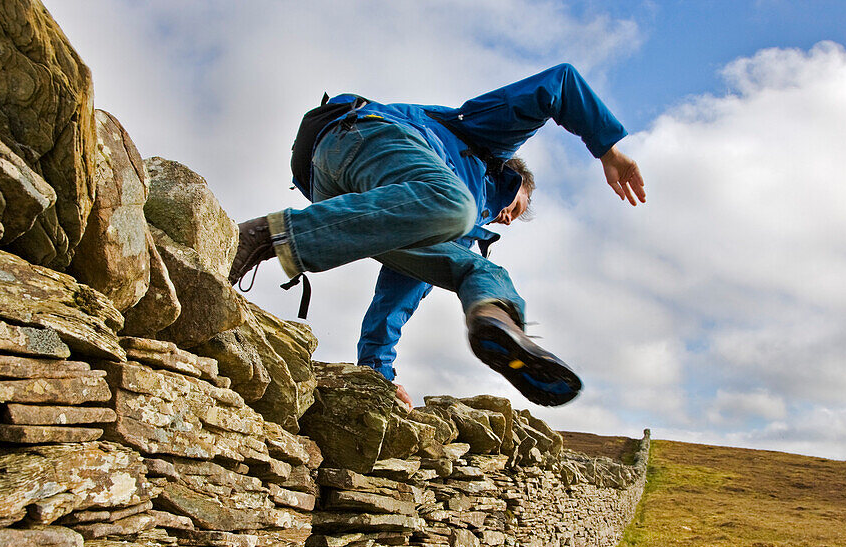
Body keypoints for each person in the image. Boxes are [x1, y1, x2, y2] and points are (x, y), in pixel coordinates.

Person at [229, 63, 645, 407]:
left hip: (336, 192)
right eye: (516, 207)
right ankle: (269, 235)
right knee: (457, 206)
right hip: (359, 137)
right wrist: (609, 151)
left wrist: (377, 374)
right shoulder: (485, 140)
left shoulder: (436, 218)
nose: (506, 218)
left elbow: (393, 300)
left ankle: (493, 318)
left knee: (474, 267)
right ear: (516, 180)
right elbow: (560, 84)